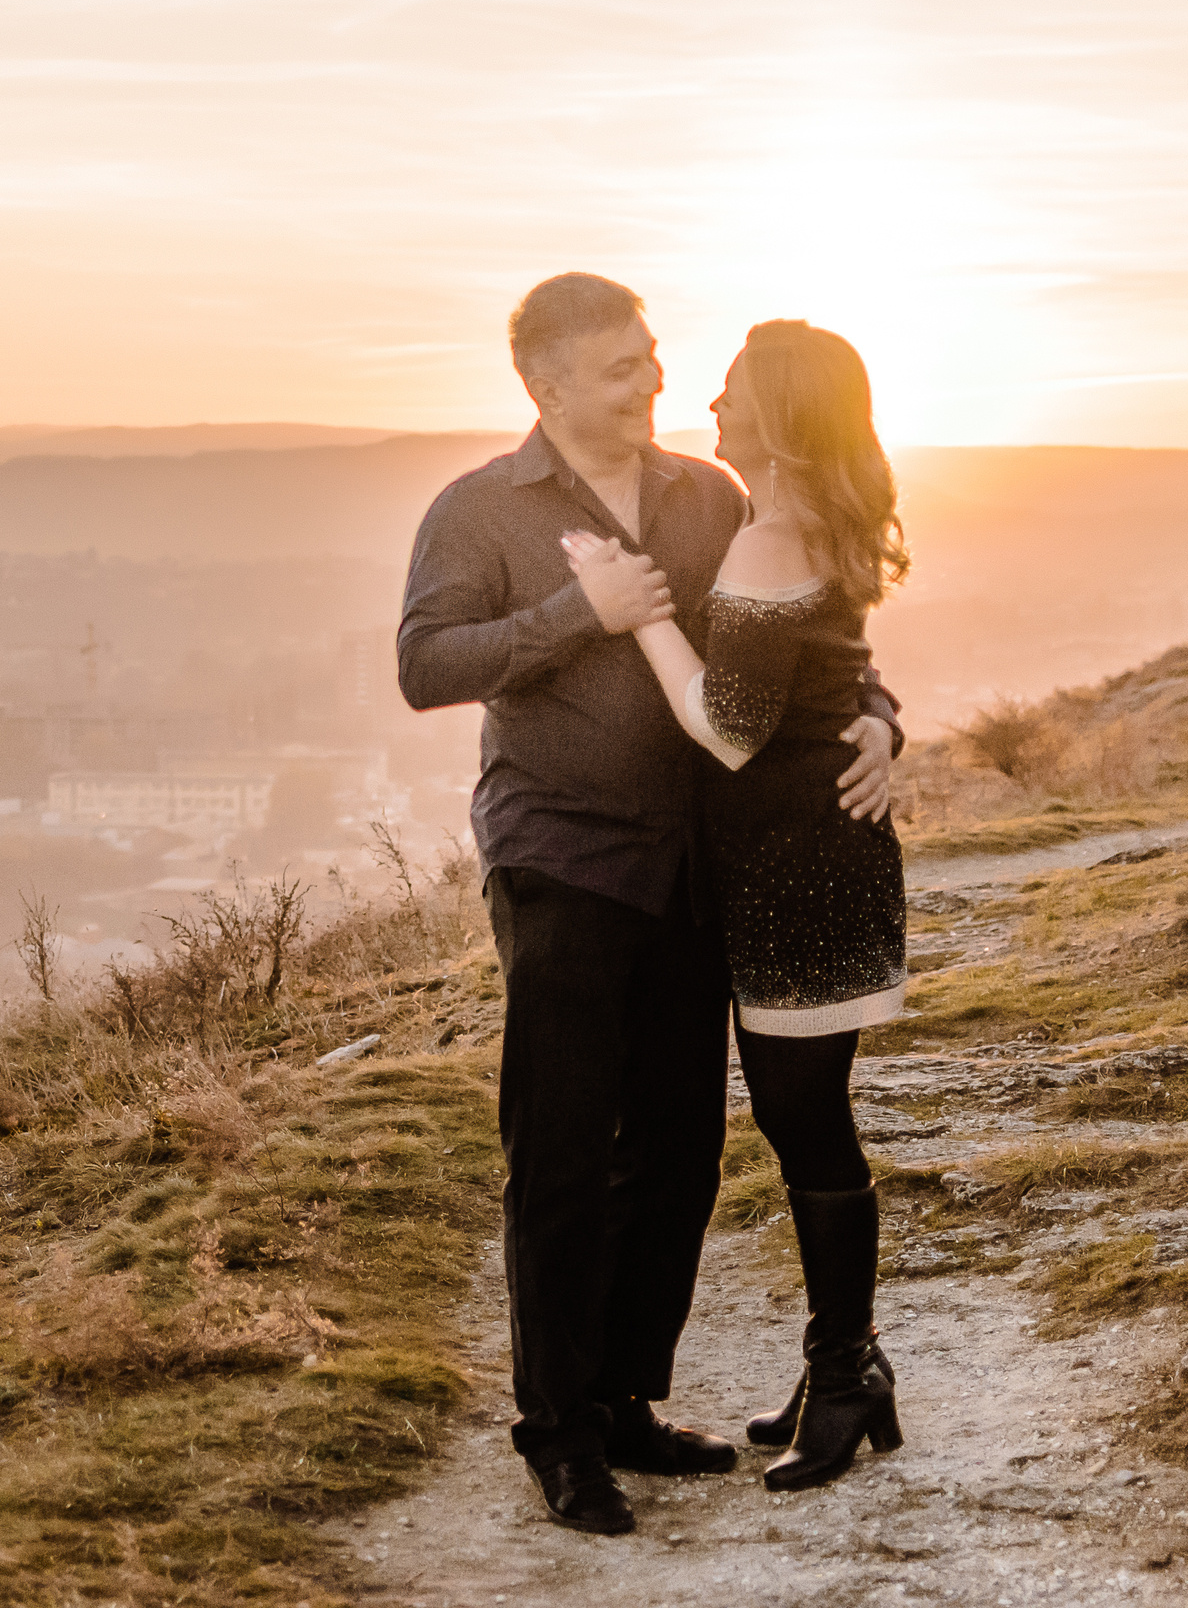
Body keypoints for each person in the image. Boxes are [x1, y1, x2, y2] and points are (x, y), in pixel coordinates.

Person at [397, 275, 902, 1536]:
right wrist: (580, 613)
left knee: (675, 1148)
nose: (653, 382)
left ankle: (624, 1396)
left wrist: (885, 720)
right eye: (622, 367)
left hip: (697, 869)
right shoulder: (478, 510)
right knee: (560, 1153)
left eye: (652, 357)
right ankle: (557, 1432)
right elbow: (423, 665)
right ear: (546, 383)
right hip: (562, 858)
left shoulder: (709, 495)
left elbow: (813, 637)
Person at [563, 317, 910, 1492]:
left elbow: (727, 726)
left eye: (731, 391)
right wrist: (877, 719)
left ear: (779, 412)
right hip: (804, 859)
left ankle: (849, 1371)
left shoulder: (772, 538)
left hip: (798, 870)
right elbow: (830, 682)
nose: (709, 405)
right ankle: (842, 1366)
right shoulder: (812, 525)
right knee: (804, 1120)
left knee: (805, 1124)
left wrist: (639, 611)